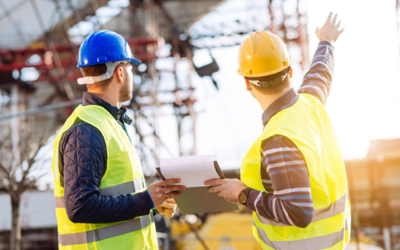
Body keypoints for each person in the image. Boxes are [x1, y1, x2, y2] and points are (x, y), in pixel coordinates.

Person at [205, 13, 350, 249]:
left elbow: (298, 212)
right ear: (290, 72)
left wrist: (242, 194)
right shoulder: (310, 104)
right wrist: (326, 41)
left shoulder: (278, 139)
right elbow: (321, 73)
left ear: (246, 83)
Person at [52, 30, 186, 250]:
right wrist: (146, 200)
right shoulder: (87, 131)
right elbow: (80, 206)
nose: (132, 76)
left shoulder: (106, 123)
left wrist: (150, 205)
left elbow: (111, 196)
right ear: (120, 73)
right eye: (131, 69)